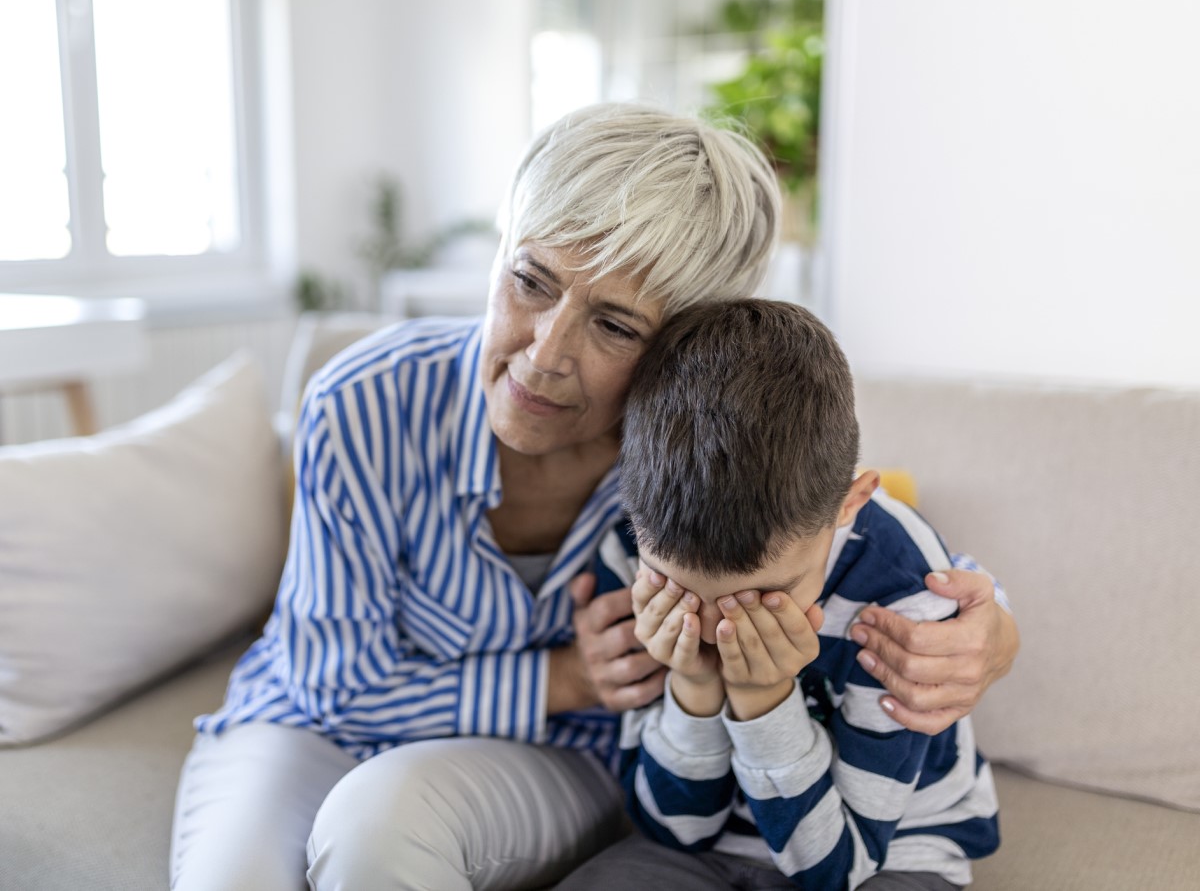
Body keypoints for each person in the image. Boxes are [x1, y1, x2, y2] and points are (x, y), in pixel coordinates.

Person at [169, 103, 1017, 891]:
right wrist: (563, 678)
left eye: (615, 325)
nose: (544, 354)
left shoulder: (690, 466)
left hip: (550, 759)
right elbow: (332, 683)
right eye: (530, 281)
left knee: (378, 823)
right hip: (309, 720)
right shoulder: (363, 403)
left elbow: (833, 527)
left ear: (683, 349)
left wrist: (990, 627)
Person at [558, 299, 1000, 891]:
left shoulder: (905, 599)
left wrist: (762, 696)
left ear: (850, 503)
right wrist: (692, 689)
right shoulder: (631, 553)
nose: (719, 628)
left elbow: (836, 868)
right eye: (679, 589)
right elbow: (676, 831)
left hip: (889, 857)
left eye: (767, 595)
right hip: (703, 852)